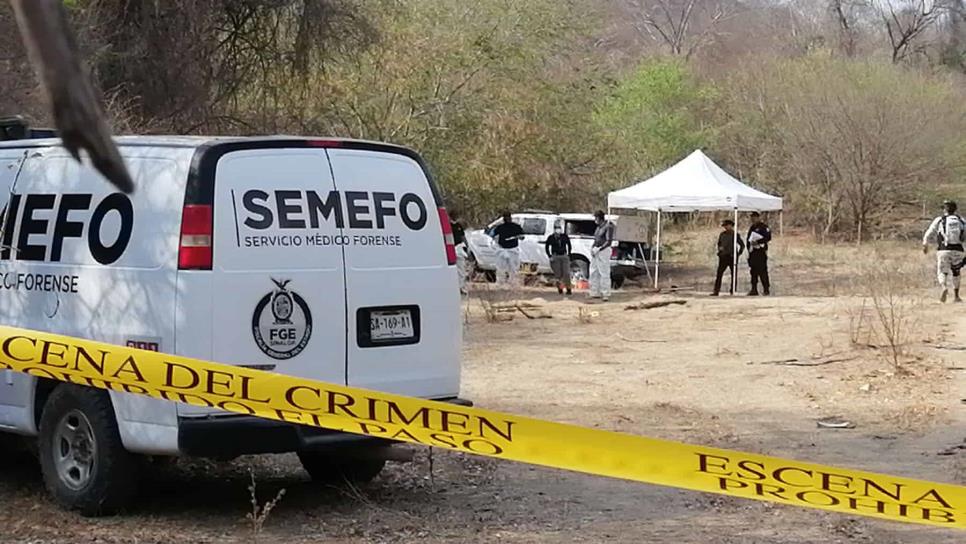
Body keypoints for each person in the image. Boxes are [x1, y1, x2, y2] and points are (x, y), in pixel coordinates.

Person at [922, 200, 965, 303]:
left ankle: (944, 287)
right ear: (955, 209)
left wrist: (925, 243)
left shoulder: (940, 220)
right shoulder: (961, 220)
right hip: (958, 250)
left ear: (945, 209)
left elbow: (930, 232)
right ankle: (956, 296)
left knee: (942, 271)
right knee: (956, 272)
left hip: (943, 249)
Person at [712, 219, 744, 296]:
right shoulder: (722, 234)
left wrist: (738, 254)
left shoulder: (735, 234)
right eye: (725, 226)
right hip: (723, 257)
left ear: (731, 226)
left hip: (732, 257)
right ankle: (716, 291)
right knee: (719, 273)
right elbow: (719, 244)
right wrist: (720, 250)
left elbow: (742, 245)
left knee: (734, 274)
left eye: (727, 225)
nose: (726, 227)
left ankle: (732, 290)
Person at [491, 212, 524, 287]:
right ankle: (500, 283)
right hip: (502, 249)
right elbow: (493, 235)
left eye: (508, 217)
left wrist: (518, 237)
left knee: (513, 268)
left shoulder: (516, 227)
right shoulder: (500, 227)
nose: (507, 219)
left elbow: (522, 236)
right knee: (500, 267)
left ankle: (513, 283)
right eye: (505, 217)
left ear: (510, 218)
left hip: (513, 249)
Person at [590, 210, 615, 301]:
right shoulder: (598, 228)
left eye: (595, 218)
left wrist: (599, 248)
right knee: (594, 271)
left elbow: (608, 241)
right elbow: (596, 239)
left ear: (599, 218)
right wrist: (593, 248)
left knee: (604, 272)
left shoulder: (608, 226)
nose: (595, 220)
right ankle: (595, 291)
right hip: (596, 250)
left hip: (603, 251)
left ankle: (605, 293)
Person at [746, 211, 772, 296]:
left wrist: (758, 241)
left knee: (762, 271)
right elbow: (748, 239)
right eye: (752, 217)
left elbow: (768, 237)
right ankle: (754, 289)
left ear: (758, 217)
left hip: (760, 252)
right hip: (753, 252)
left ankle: (766, 289)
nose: (753, 219)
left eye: (754, 217)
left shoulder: (763, 227)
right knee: (753, 271)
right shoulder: (752, 227)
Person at [545, 221, 572, 295]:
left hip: (564, 255)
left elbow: (569, 245)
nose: (558, 230)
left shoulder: (564, 236)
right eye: (556, 228)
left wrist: (569, 254)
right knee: (558, 274)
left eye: (559, 228)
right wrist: (550, 256)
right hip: (555, 256)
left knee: (566, 273)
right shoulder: (551, 237)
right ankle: (560, 288)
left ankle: (568, 288)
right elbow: (547, 247)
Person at [450, 209, 468, 294]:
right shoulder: (447, 225)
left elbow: (462, 237)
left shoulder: (458, 226)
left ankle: (461, 287)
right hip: (451, 248)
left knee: (461, 269)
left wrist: (467, 246)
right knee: (452, 269)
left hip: (459, 248)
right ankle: (453, 287)